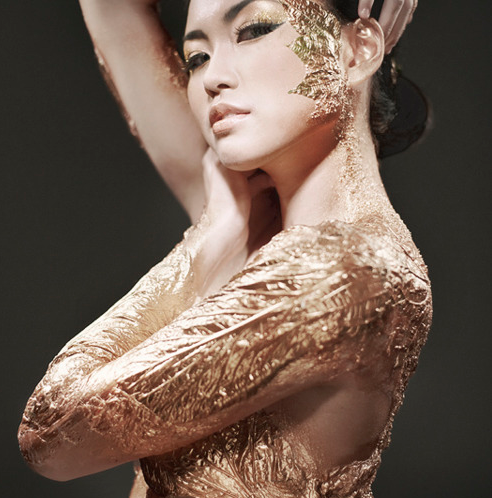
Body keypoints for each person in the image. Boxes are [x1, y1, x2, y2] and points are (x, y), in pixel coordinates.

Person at [18, 1, 431, 497]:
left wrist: (206, 241)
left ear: (358, 49)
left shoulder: (346, 269)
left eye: (253, 30)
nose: (212, 77)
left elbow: (51, 432)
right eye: (196, 58)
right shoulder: (250, 214)